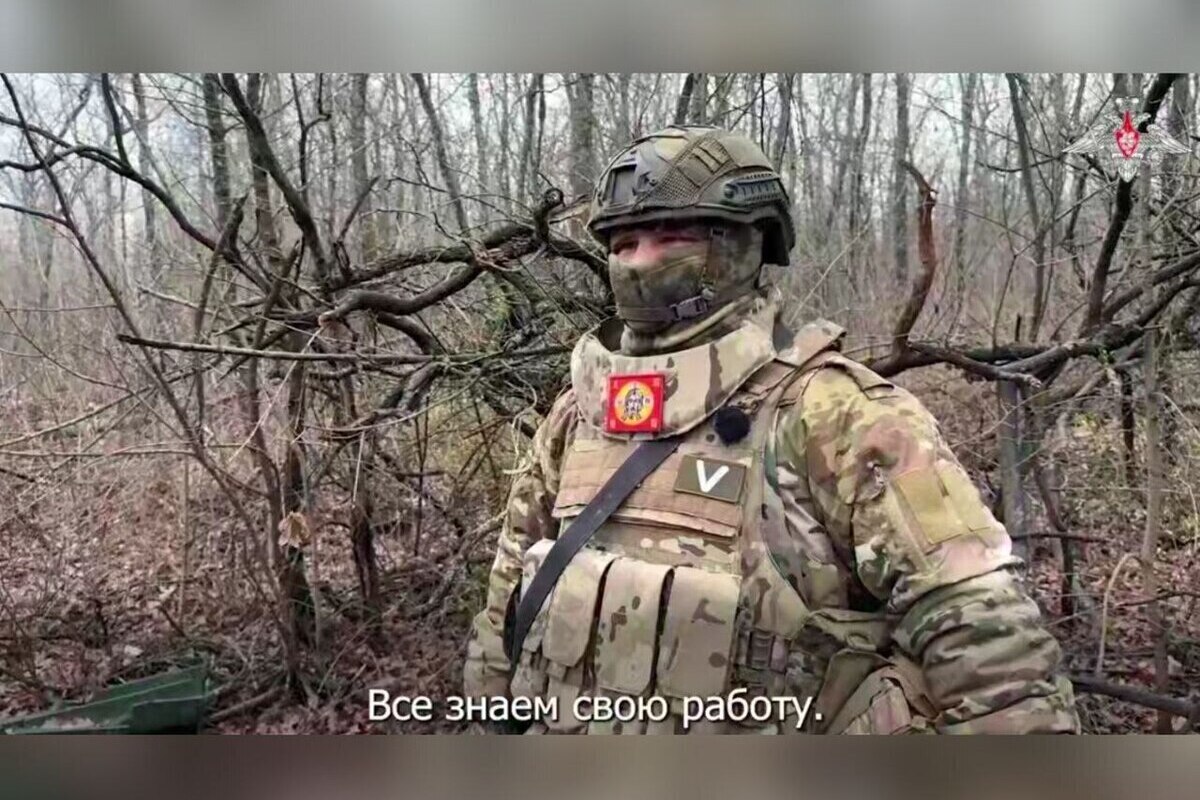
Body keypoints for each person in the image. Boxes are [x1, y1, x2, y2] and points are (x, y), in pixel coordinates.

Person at [463, 125, 1079, 734]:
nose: (641, 260)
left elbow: (994, 656)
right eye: (624, 242)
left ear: (748, 244)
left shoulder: (836, 415)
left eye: (671, 235)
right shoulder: (579, 414)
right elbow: (506, 612)